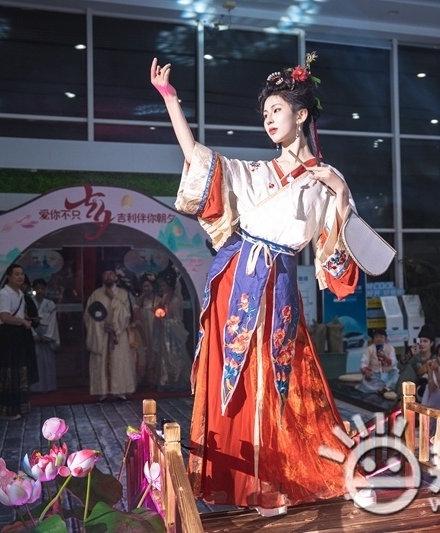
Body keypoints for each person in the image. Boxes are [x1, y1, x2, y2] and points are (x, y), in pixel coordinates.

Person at [151, 52, 365, 514]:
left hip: (279, 282)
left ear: (301, 115)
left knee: (281, 379)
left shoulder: (326, 181)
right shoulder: (256, 172)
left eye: (276, 110)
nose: (268, 119)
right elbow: (198, 159)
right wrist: (170, 100)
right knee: (239, 380)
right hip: (236, 278)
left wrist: (342, 195)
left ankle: (279, 481)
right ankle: (251, 486)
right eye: (265, 112)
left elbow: (336, 256)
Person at [83, 262, 136, 402]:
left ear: (115, 277)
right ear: (102, 277)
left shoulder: (123, 294)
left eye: (111, 274)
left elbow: (126, 315)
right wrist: (101, 325)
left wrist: (113, 298)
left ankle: (120, 391)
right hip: (101, 335)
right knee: (100, 362)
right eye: (106, 274)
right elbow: (88, 316)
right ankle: (102, 391)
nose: (108, 276)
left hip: (118, 335)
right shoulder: (96, 294)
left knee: (119, 361)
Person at [0, 264, 36, 420]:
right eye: (16, 274)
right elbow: (4, 317)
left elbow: (18, 314)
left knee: (20, 372)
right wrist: (22, 322)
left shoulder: (20, 293)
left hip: (18, 337)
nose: (20, 277)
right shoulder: (4, 293)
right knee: (9, 373)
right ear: (8, 277)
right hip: (8, 337)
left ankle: (20, 407)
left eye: (22, 274)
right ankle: (7, 410)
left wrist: (25, 319)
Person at [151, 269, 191, 392]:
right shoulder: (165, 298)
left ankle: (176, 380)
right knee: (165, 356)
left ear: (169, 286)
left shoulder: (175, 301)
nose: (162, 288)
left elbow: (177, 320)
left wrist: (164, 320)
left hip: (173, 333)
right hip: (165, 332)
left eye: (164, 285)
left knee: (174, 355)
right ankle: (166, 380)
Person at [29, 278, 60, 394]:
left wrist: (47, 336)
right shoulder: (29, 303)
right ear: (34, 289)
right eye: (37, 288)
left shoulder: (50, 304)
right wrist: (34, 335)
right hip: (34, 334)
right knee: (35, 362)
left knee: (47, 362)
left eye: (42, 288)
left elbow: (53, 322)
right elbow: (26, 320)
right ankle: (34, 388)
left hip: (47, 336)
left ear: (45, 289)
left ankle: (48, 387)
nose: (40, 291)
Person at [133, 274, 160, 387]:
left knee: (154, 351)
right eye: (144, 286)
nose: (146, 289)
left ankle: (153, 378)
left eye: (148, 286)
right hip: (143, 329)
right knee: (143, 351)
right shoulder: (140, 300)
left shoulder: (158, 299)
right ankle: (142, 377)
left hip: (154, 328)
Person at [396, 324, 435, 398]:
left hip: (427, 390)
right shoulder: (414, 357)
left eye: (425, 341)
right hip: (411, 388)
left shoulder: (435, 358)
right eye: (420, 341)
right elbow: (400, 367)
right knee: (408, 369)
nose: (422, 344)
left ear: (431, 343)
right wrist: (410, 354)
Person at [357, 329, 399, 394]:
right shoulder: (369, 349)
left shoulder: (390, 348)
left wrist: (385, 357)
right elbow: (364, 362)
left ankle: (386, 388)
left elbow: (394, 362)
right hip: (375, 375)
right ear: (373, 339)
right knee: (367, 380)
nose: (379, 339)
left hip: (388, 373)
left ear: (385, 338)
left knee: (396, 376)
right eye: (376, 337)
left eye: (381, 337)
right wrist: (366, 371)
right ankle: (383, 389)